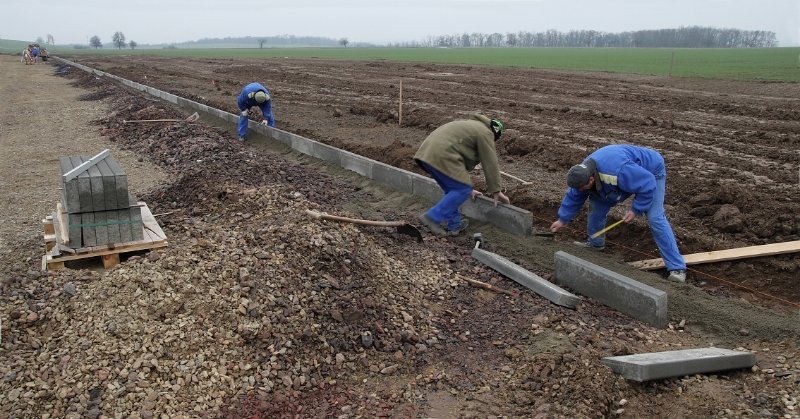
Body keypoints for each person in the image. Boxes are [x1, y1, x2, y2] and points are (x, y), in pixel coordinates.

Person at [549, 144, 687, 282]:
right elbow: (574, 196)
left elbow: (647, 183)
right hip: (618, 178)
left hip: (651, 171)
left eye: (582, 187)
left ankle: (677, 267)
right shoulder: (581, 175)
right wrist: (562, 219)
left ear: (591, 179)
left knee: (655, 217)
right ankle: (595, 244)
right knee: (596, 207)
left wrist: (635, 209)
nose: (580, 190)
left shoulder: (617, 171)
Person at [414, 113, 510, 236]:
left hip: (427, 154)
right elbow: (490, 161)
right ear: (495, 134)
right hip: (443, 154)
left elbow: (460, 159)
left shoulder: (472, 126)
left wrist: (466, 185)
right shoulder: (486, 133)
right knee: (462, 189)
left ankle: (454, 225)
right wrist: (496, 189)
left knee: (454, 190)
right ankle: (432, 217)